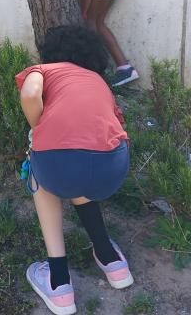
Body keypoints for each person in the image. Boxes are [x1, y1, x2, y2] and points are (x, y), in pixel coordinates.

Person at [17, 25, 133, 315]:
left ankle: (59, 282)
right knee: (78, 169)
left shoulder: (43, 69)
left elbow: (31, 93)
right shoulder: (97, 80)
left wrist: (37, 128)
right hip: (113, 167)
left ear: (50, 52)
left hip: (62, 167)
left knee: (39, 171)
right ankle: (112, 261)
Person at [11, 0, 139, 87]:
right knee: (98, 23)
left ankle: (97, 72)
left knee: (90, 23)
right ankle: (124, 68)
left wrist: (83, 12)